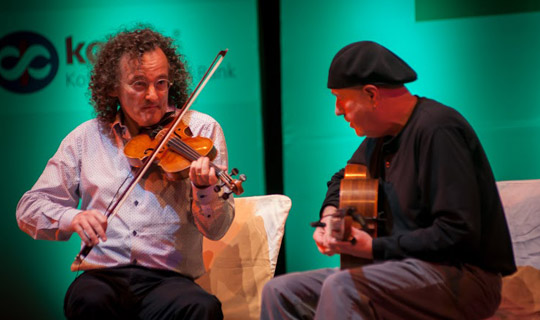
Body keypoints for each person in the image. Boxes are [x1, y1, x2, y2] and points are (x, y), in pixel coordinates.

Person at [260, 41, 516, 319]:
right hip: (396, 269)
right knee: (280, 290)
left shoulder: (438, 130)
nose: (337, 110)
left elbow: (458, 233)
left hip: (463, 278)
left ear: (371, 94)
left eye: (340, 98)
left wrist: (373, 247)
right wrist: (330, 216)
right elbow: (342, 180)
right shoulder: (379, 139)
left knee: (342, 286)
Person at [16, 26, 234, 320]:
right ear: (112, 87)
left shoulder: (201, 131)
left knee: (201, 308)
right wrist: (73, 217)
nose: (153, 96)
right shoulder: (86, 138)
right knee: (90, 301)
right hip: (104, 276)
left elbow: (217, 228)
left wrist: (205, 191)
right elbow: (29, 208)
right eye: (139, 84)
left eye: (161, 83)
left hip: (169, 280)